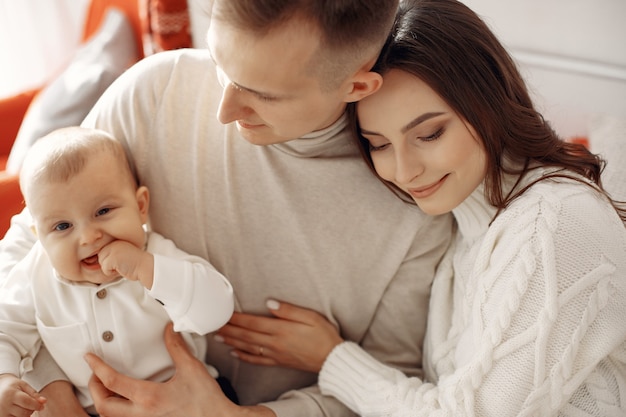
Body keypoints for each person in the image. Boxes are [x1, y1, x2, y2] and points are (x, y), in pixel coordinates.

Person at [0, 0, 454, 416]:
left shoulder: (413, 203)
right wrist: (50, 387)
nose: (223, 110)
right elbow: (31, 245)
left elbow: (384, 386)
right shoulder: (153, 91)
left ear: (355, 84)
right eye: (220, 64)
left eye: (263, 94)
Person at [212, 0, 626, 415]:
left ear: (487, 102)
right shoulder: (458, 238)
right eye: (379, 144)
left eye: (429, 134)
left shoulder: (553, 222)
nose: (405, 171)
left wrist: (332, 358)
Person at [0, 127, 235, 416]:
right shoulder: (35, 274)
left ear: (140, 206)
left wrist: (144, 268)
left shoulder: (156, 255)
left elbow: (217, 310)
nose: (88, 237)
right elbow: (5, 328)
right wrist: (4, 378)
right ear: (40, 237)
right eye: (62, 226)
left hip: (194, 400)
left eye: (103, 212)